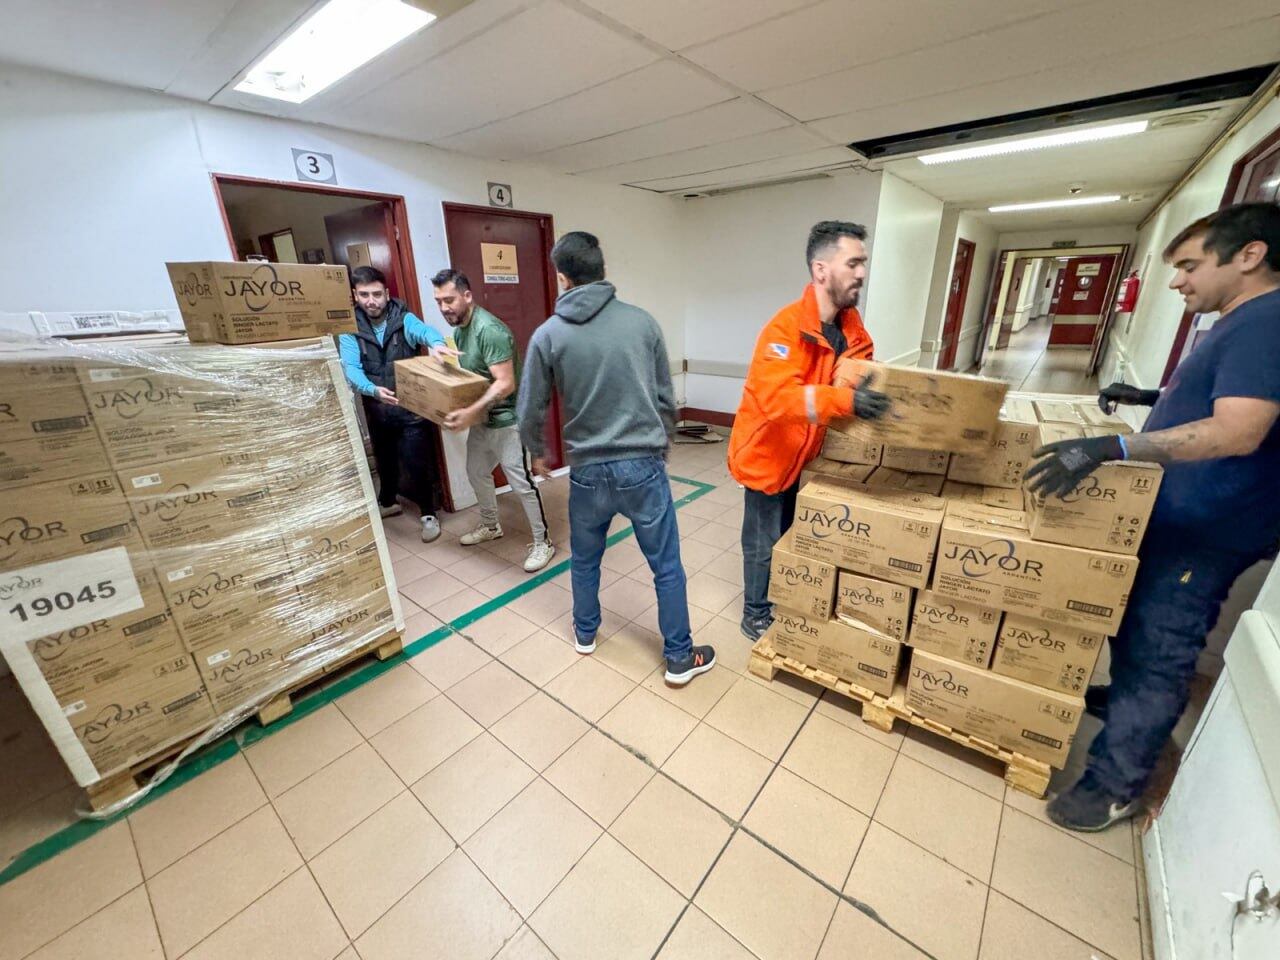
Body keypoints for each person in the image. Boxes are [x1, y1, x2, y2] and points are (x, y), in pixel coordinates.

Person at [1026, 202, 1280, 832]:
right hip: (1178, 517)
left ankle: (1115, 785)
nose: (1178, 281)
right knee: (1135, 623)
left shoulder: (1268, 322)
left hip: (1205, 529)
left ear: (1250, 255)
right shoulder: (1237, 321)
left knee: (1160, 645)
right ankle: (1123, 703)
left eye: (1190, 266)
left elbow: (1239, 431)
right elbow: (1222, 399)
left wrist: (1112, 447)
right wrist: (1150, 399)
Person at [517, 231, 715, 687]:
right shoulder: (643, 323)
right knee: (665, 565)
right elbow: (665, 395)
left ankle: (585, 634)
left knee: (585, 559)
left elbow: (530, 406)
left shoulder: (548, 334)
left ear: (562, 278)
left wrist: (539, 453)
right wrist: (662, 442)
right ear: (604, 272)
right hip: (642, 467)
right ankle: (679, 659)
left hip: (586, 470)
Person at [728, 220, 891, 642]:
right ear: (821, 270)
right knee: (764, 540)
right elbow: (779, 400)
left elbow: (860, 378)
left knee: (791, 535)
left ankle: (784, 594)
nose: (861, 273)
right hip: (769, 455)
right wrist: (846, 403)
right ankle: (755, 612)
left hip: (809, 455)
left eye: (863, 263)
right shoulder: (784, 329)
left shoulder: (854, 333)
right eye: (853, 263)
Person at [429, 269, 554, 573]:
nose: (445, 308)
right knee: (475, 472)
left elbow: (504, 384)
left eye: (449, 300)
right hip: (483, 419)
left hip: (508, 420)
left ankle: (543, 541)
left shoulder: (490, 330)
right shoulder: (460, 329)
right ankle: (490, 525)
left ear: (467, 296)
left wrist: (471, 412)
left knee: (520, 483)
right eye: (439, 302)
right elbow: (476, 377)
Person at [338, 266, 451, 543]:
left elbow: (425, 332)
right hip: (377, 407)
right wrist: (372, 390)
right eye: (364, 294)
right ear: (355, 295)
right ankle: (387, 502)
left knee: (417, 462)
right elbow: (350, 367)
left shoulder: (404, 319)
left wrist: (436, 344)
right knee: (385, 460)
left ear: (387, 294)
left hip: (410, 410)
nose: (371, 300)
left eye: (377, 294)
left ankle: (428, 514)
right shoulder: (349, 328)